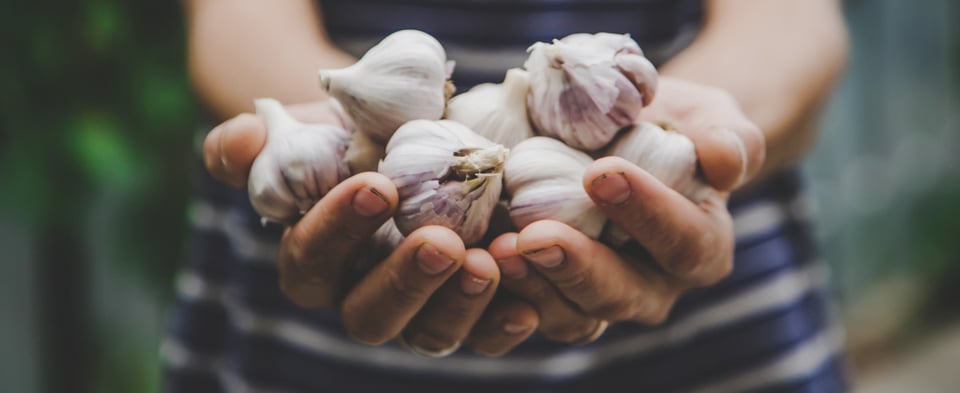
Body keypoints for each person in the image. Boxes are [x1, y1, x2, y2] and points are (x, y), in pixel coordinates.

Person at [167, 0, 849, 391]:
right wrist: (336, 133)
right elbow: (235, 20)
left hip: (712, 342)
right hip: (311, 348)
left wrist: (703, 149)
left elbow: (792, 23)